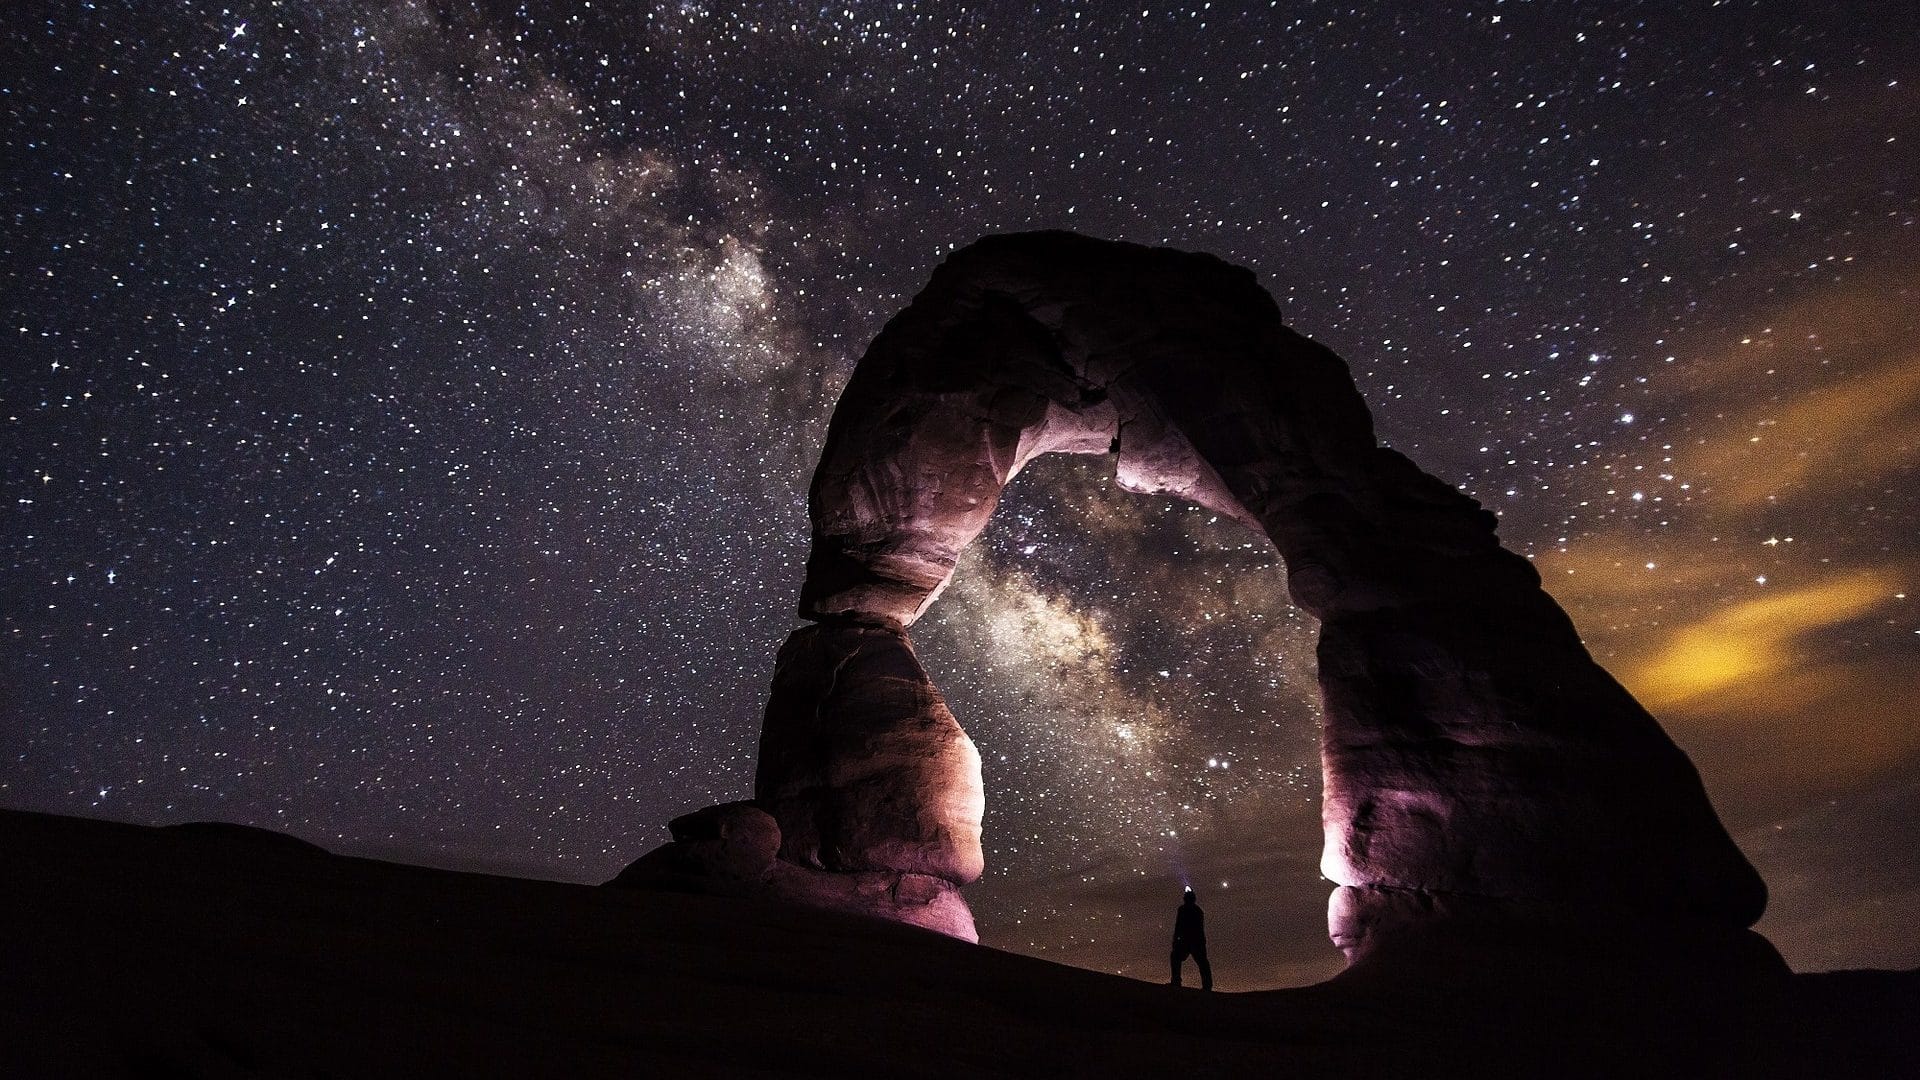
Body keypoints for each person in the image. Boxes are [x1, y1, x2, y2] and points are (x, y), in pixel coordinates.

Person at [1169, 887, 1213, 990]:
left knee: (1200, 962)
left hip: (1190, 941)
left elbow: (1178, 926)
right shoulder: (1197, 911)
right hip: (1193, 941)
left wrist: (1176, 939)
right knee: (1202, 963)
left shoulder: (1185, 910)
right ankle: (1207, 985)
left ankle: (1176, 981)